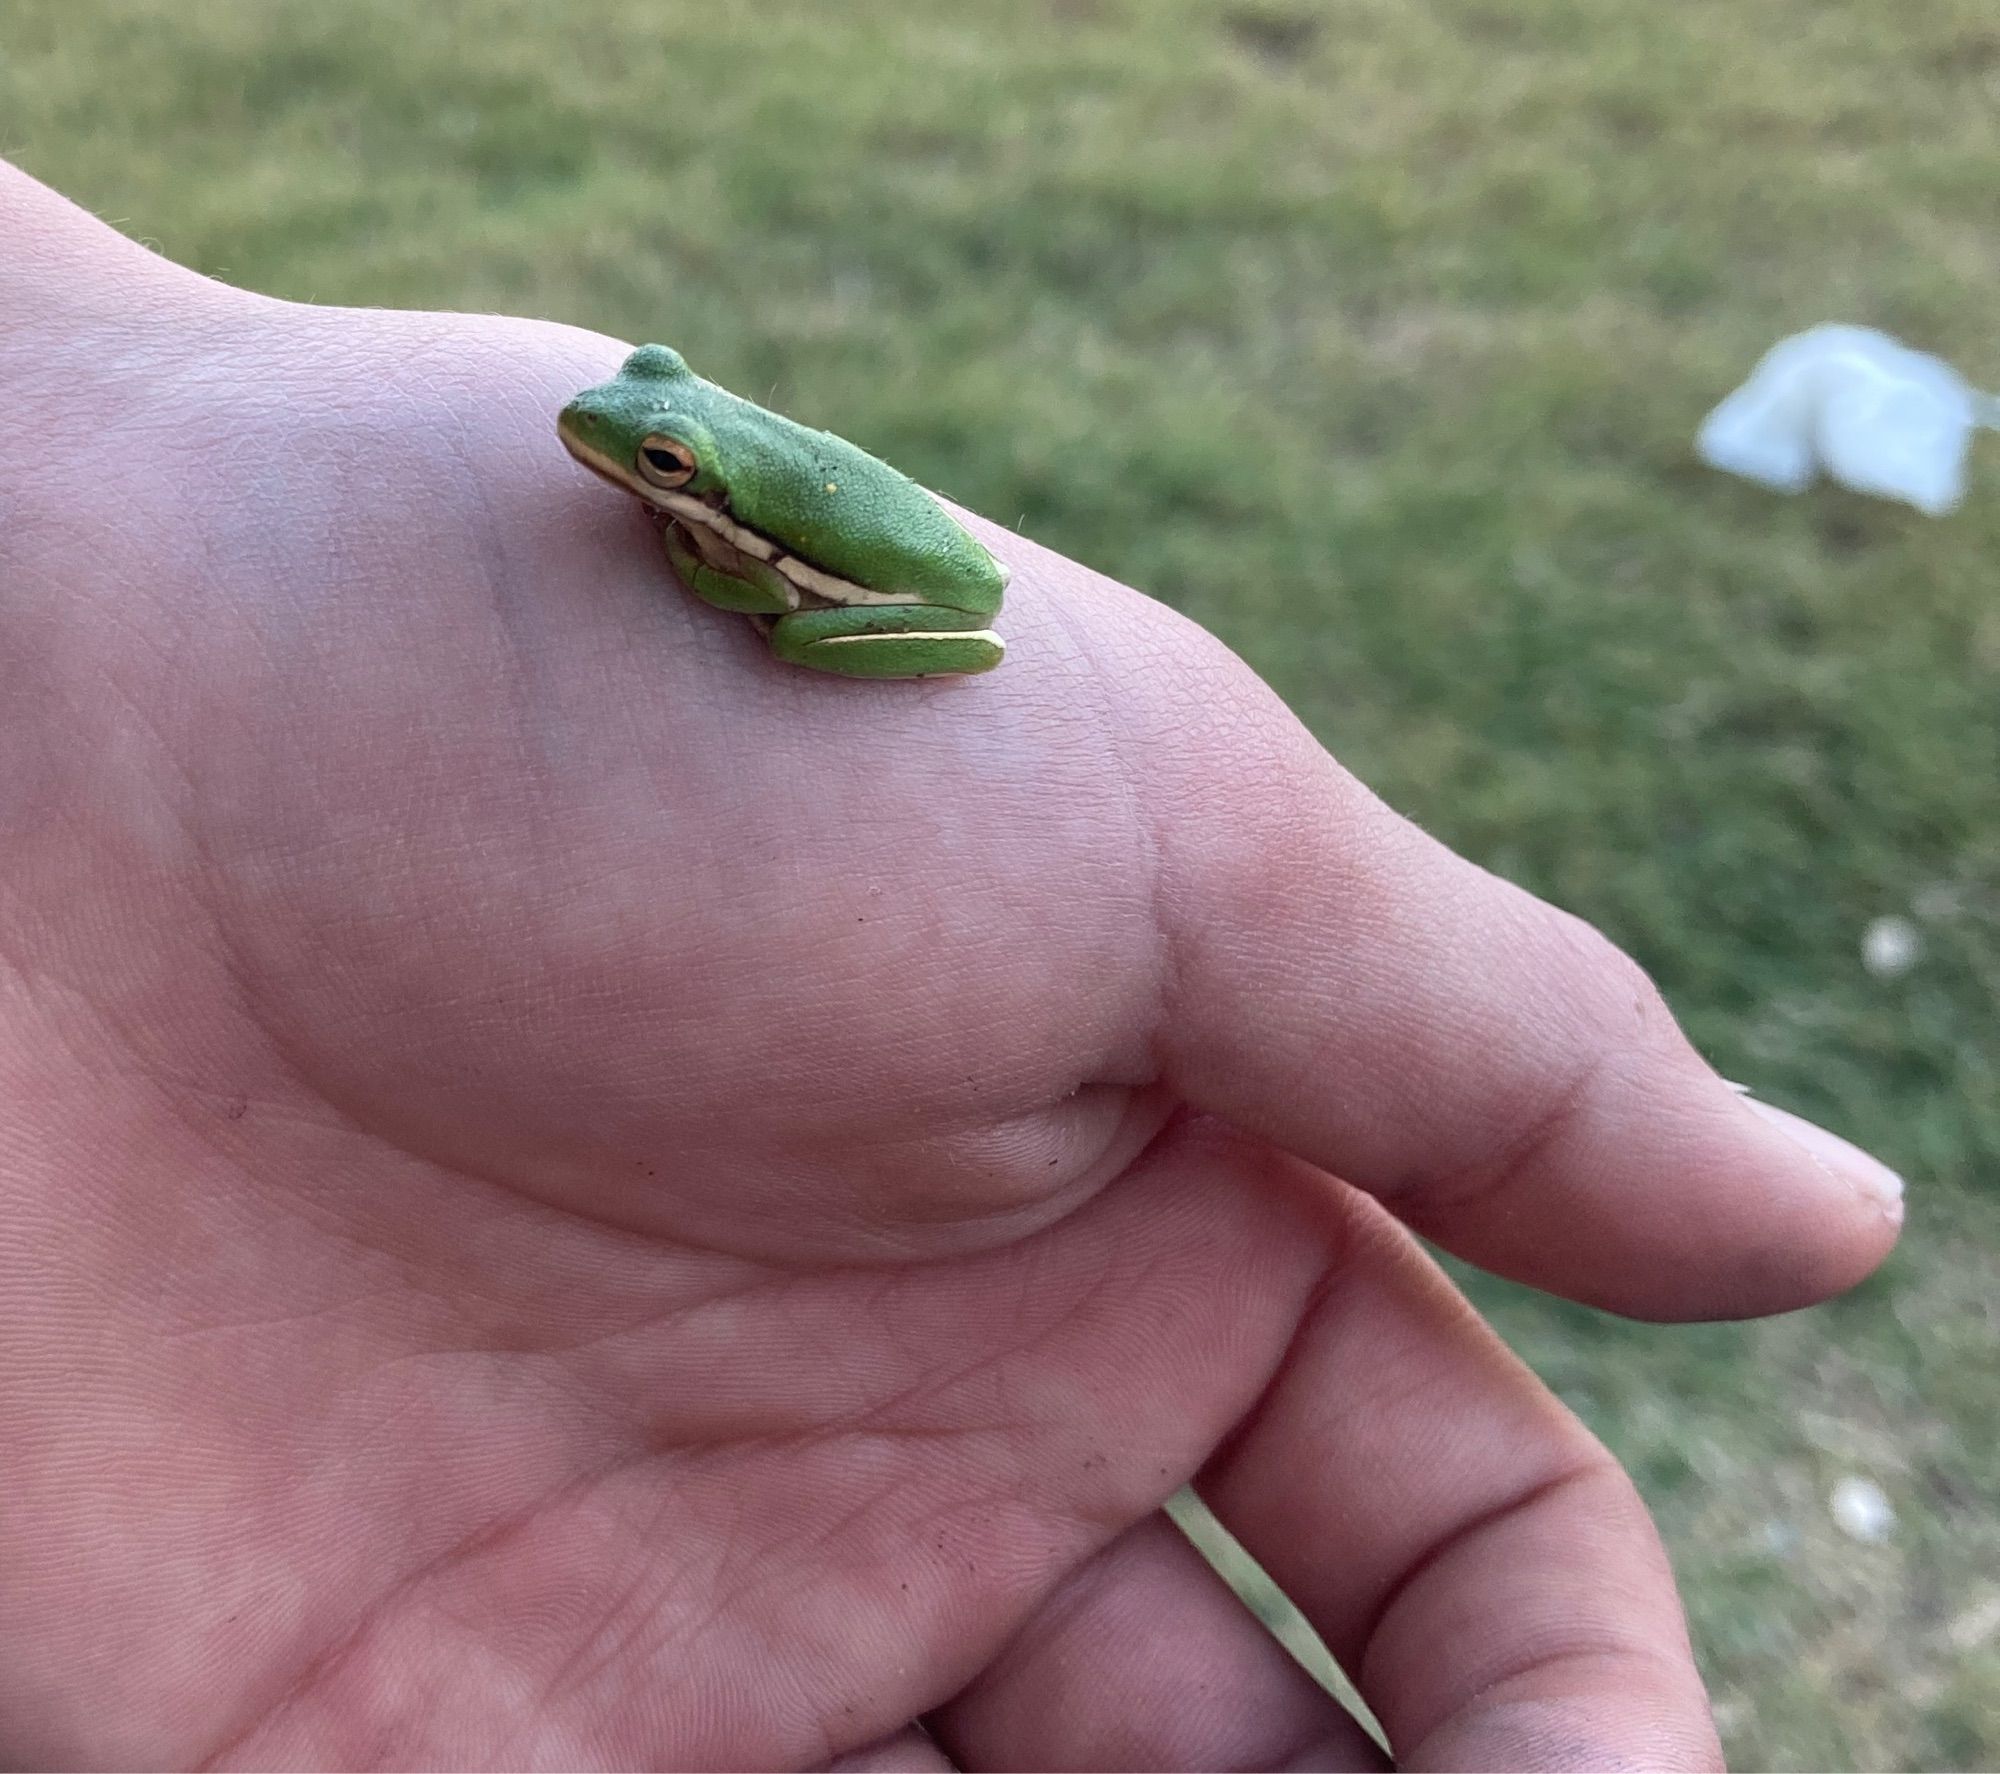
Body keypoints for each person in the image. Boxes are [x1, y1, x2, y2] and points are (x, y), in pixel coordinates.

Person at [0, 157, 1901, 1770]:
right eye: (649, 425)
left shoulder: (724, 523)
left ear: (701, 473)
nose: (612, 455)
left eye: (653, 449)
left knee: (790, 609)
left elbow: (819, 577)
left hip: (889, 596)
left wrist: (748, 573)